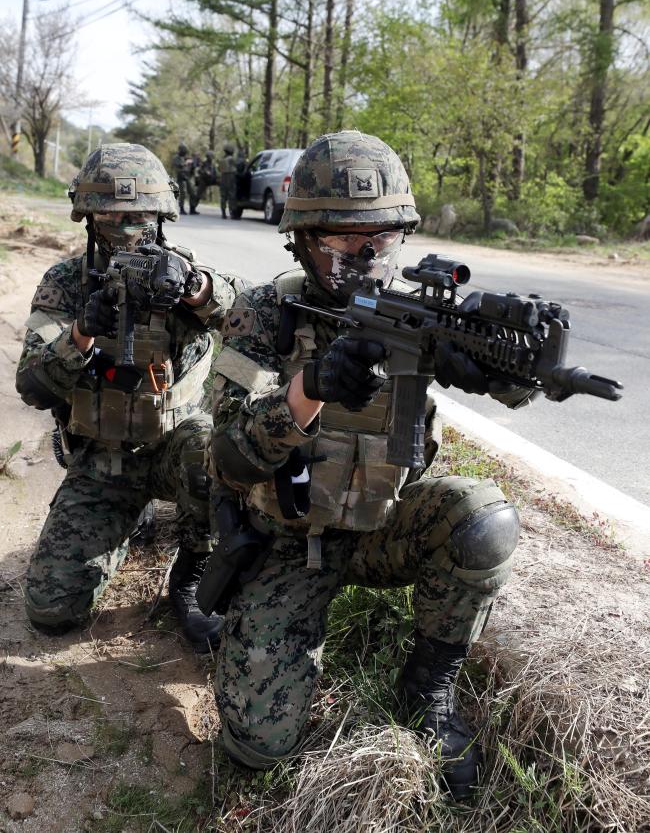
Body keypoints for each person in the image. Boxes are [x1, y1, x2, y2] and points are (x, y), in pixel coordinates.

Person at [207, 131, 535, 798]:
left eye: (381, 240)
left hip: (381, 527)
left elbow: (511, 386)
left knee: (483, 519)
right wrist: (309, 388)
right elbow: (229, 460)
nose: (363, 257)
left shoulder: (412, 312)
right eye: (342, 241)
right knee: (256, 746)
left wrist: (505, 368)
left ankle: (428, 686)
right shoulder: (263, 314)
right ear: (302, 239)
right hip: (287, 541)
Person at [16, 142, 245, 652]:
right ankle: (129, 520)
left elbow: (249, 315)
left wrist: (197, 290)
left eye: (138, 217)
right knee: (51, 609)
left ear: (161, 217)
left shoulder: (185, 273)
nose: (125, 229)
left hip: (174, 449)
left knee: (210, 447)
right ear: (88, 218)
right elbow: (32, 386)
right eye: (110, 218)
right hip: (102, 461)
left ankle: (192, 570)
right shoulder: (67, 283)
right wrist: (80, 334)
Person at [171, 143, 200, 215]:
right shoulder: (176, 158)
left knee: (192, 192)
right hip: (180, 177)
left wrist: (193, 163)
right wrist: (186, 163)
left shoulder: (185, 157)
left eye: (185, 151)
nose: (185, 152)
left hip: (188, 177)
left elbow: (192, 166)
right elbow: (177, 166)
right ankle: (182, 209)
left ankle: (192, 209)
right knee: (182, 194)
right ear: (180, 150)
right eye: (183, 150)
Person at [218, 143, 237, 219]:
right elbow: (236, 167)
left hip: (223, 177)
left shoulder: (222, 159)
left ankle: (223, 213)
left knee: (223, 196)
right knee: (231, 196)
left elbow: (219, 169)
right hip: (231, 177)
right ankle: (232, 213)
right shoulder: (231, 159)